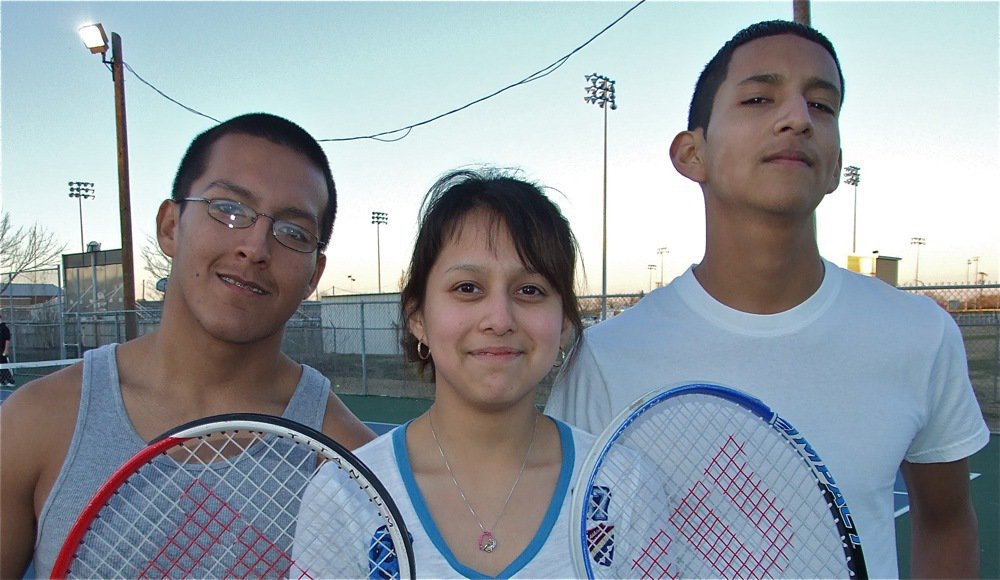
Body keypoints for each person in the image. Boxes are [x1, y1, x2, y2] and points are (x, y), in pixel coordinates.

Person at [545, 20, 989, 579]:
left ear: (835, 165)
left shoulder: (920, 334)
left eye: (823, 106)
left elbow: (947, 523)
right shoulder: (605, 359)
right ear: (691, 155)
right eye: (759, 97)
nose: (798, 118)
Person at [0, 113, 375, 578]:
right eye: (230, 209)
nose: (256, 246)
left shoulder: (355, 463)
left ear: (314, 275)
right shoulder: (35, 421)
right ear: (170, 225)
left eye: (293, 232)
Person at [296, 168, 614, 578]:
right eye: (468, 288)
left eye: (531, 290)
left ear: (565, 323)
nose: (499, 318)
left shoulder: (624, 487)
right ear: (417, 318)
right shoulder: (343, 495)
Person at [0, 313, 14, 386]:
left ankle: (9, 381)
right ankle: (1, 381)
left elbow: (7, 340)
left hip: (2, 351)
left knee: (4, 365)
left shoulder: (4, 328)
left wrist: (5, 350)